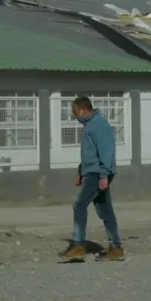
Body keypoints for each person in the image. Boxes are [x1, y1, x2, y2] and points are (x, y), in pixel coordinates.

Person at [60, 96, 125, 261]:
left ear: (83, 110)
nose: (74, 116)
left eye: (75, 112)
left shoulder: (99, 125)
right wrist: (81, 171)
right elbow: (90, 153)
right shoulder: (90, 125)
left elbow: (106, 151)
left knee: (79, 205)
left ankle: (78, 245)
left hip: (97, 173)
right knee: (105, 210)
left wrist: (104, 175)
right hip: (93, 172)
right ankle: (116, 248)